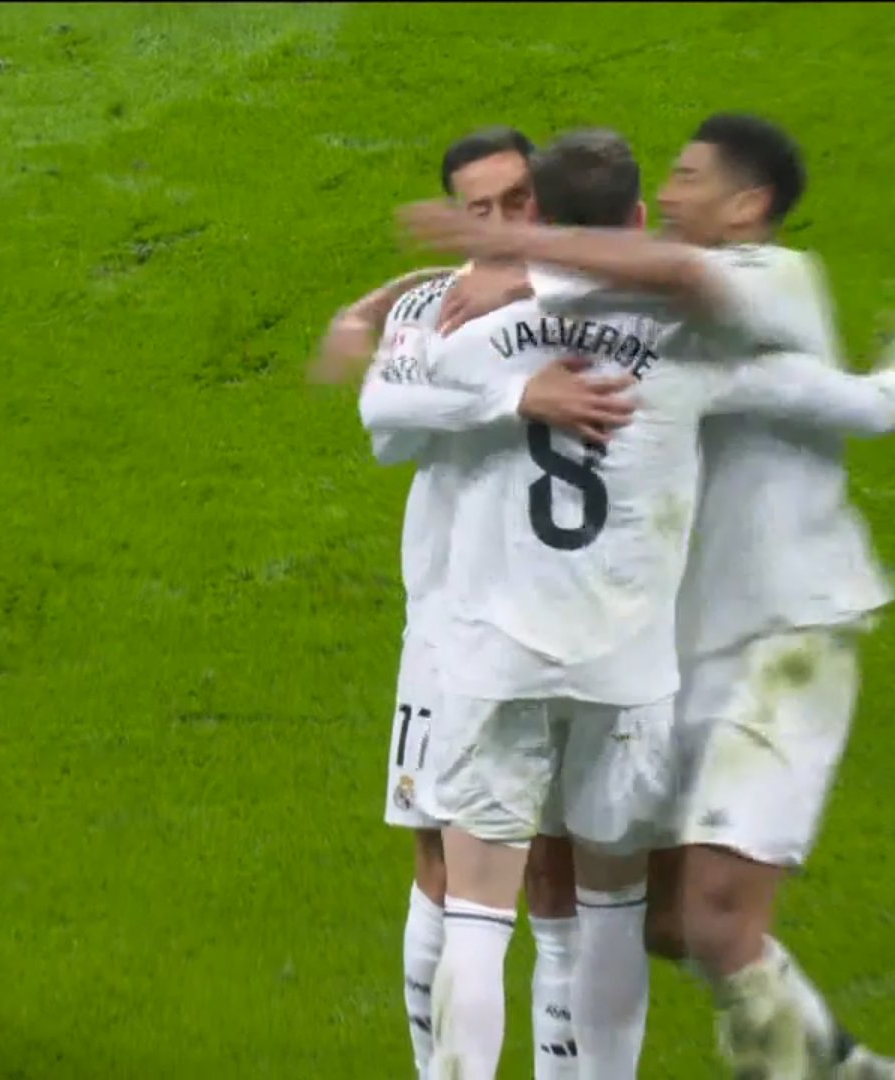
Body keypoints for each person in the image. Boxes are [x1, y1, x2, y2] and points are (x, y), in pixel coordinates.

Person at [415, 128, 895, 1080]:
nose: (668, 193)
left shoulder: (772, 277)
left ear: (749, 204)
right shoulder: (664, 321)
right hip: (683, 649)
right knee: (661, 920)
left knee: (711, 919)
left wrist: (509, 256)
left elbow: (687, 286)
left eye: (690, 177)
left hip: (786, 632)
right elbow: (636, 285)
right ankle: (835, 1064)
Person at [314, 126, 636, 1079]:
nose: (499, 222)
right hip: (449, 627)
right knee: (445, 868)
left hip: (558, 624)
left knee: (553, 874)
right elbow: (384, 423)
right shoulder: (436, 303)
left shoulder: (589, 298)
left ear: (545, 197)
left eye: (517, 202)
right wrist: (510, 398)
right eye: (479, 208)